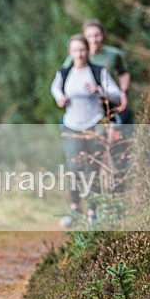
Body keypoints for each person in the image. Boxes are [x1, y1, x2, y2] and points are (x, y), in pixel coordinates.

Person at [52, 34, 122, 226]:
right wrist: (60, 98)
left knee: (92, 170)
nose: (79, 54)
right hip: (71, 126)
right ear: (70, 52)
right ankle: (75, 208)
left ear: (87, 51)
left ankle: (93, 210)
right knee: (74, 168)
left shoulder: (98, 72)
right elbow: (55, 88)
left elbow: (117, 96)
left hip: (94, 125)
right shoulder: (65, 72)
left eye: (82, 50)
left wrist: (99, 90)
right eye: (75, 50)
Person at [63, 19, 133, 192]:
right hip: (87, 111)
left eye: (97, 35)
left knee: (115, 154)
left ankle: (117, 196)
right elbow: (64, 77)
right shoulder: (78, 55)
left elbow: (124, 73)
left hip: (111, 108)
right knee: (92, 158)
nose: (94, 40)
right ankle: (91, 201)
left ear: (103, 35)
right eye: (89, 36)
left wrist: (123, 92)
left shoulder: (114, 54)